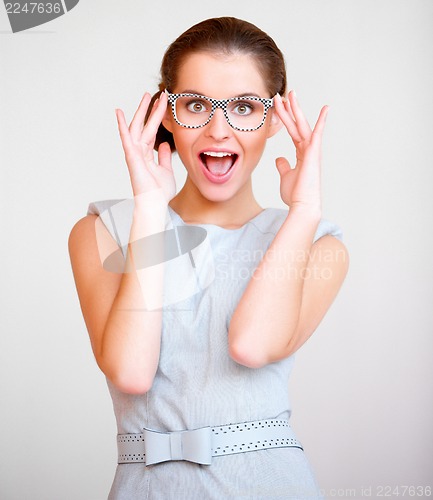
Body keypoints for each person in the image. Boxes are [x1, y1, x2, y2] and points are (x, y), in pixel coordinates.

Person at [68, 16, 349, 499]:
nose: (219, 130)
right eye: (196, 105)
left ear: (276, 120)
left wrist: (303, 211)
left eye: (245, 107)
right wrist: (152, 212)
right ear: (167, 116)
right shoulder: (104, 232)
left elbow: (252, 346)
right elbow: (131, 372)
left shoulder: (317, 244)